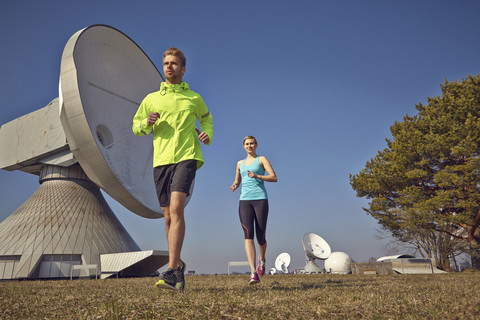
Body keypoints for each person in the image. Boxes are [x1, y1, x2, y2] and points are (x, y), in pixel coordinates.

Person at [132, 47, 213, 292]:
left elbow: (207, 118)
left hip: (187, 156)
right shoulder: (151, 99)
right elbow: (136, 126)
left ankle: (169, 270)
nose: (169, 67)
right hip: (162, 160)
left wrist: (207, 133)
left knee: (177, 208)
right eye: (166, 63)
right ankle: (177, 268)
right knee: (168, 216)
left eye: (174, 63)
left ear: (183, 68)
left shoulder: (194, 98)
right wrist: (146, 123)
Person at [230, 136, 277, 284]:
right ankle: (253, 272)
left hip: (260, 200)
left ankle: (261, 258)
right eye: (247, 144)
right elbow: (238, 180)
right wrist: (234, 185)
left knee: (261, 236)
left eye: (252, 143)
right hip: (244, 201)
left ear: (256, 145)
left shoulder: (262, 159)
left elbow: (274, 177)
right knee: (248, 234)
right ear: (243, 146)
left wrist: (257, 176)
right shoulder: (239, 163)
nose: (249, 146)